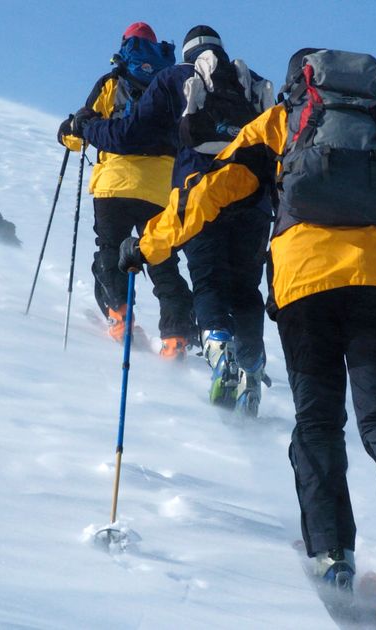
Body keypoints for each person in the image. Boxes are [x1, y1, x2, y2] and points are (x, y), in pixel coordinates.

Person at [117, 48, 376, 625]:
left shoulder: (278, 126)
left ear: (297, 87)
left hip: (305, 288)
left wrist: (148, 245)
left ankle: (332, 553)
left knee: (317, 423)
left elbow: (207, 192)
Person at [74, 25, 274, 415]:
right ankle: (250, 368)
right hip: (255, 201)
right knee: (245, 288)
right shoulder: (252, 83)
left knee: (208, 278)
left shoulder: (175, 78)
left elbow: (130, 134)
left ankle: (219, 353)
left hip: (200, 194)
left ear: (185, 52)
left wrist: (88, 127)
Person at [57, 22, 196, 358]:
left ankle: (120, 316)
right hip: (161, 188)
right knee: (162, 261)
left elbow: (81, 131)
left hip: (115, 184)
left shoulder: (112, 82)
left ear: (125, 44)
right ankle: (176, 335)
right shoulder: (173, 84)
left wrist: (67, 134)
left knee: (110, 251)